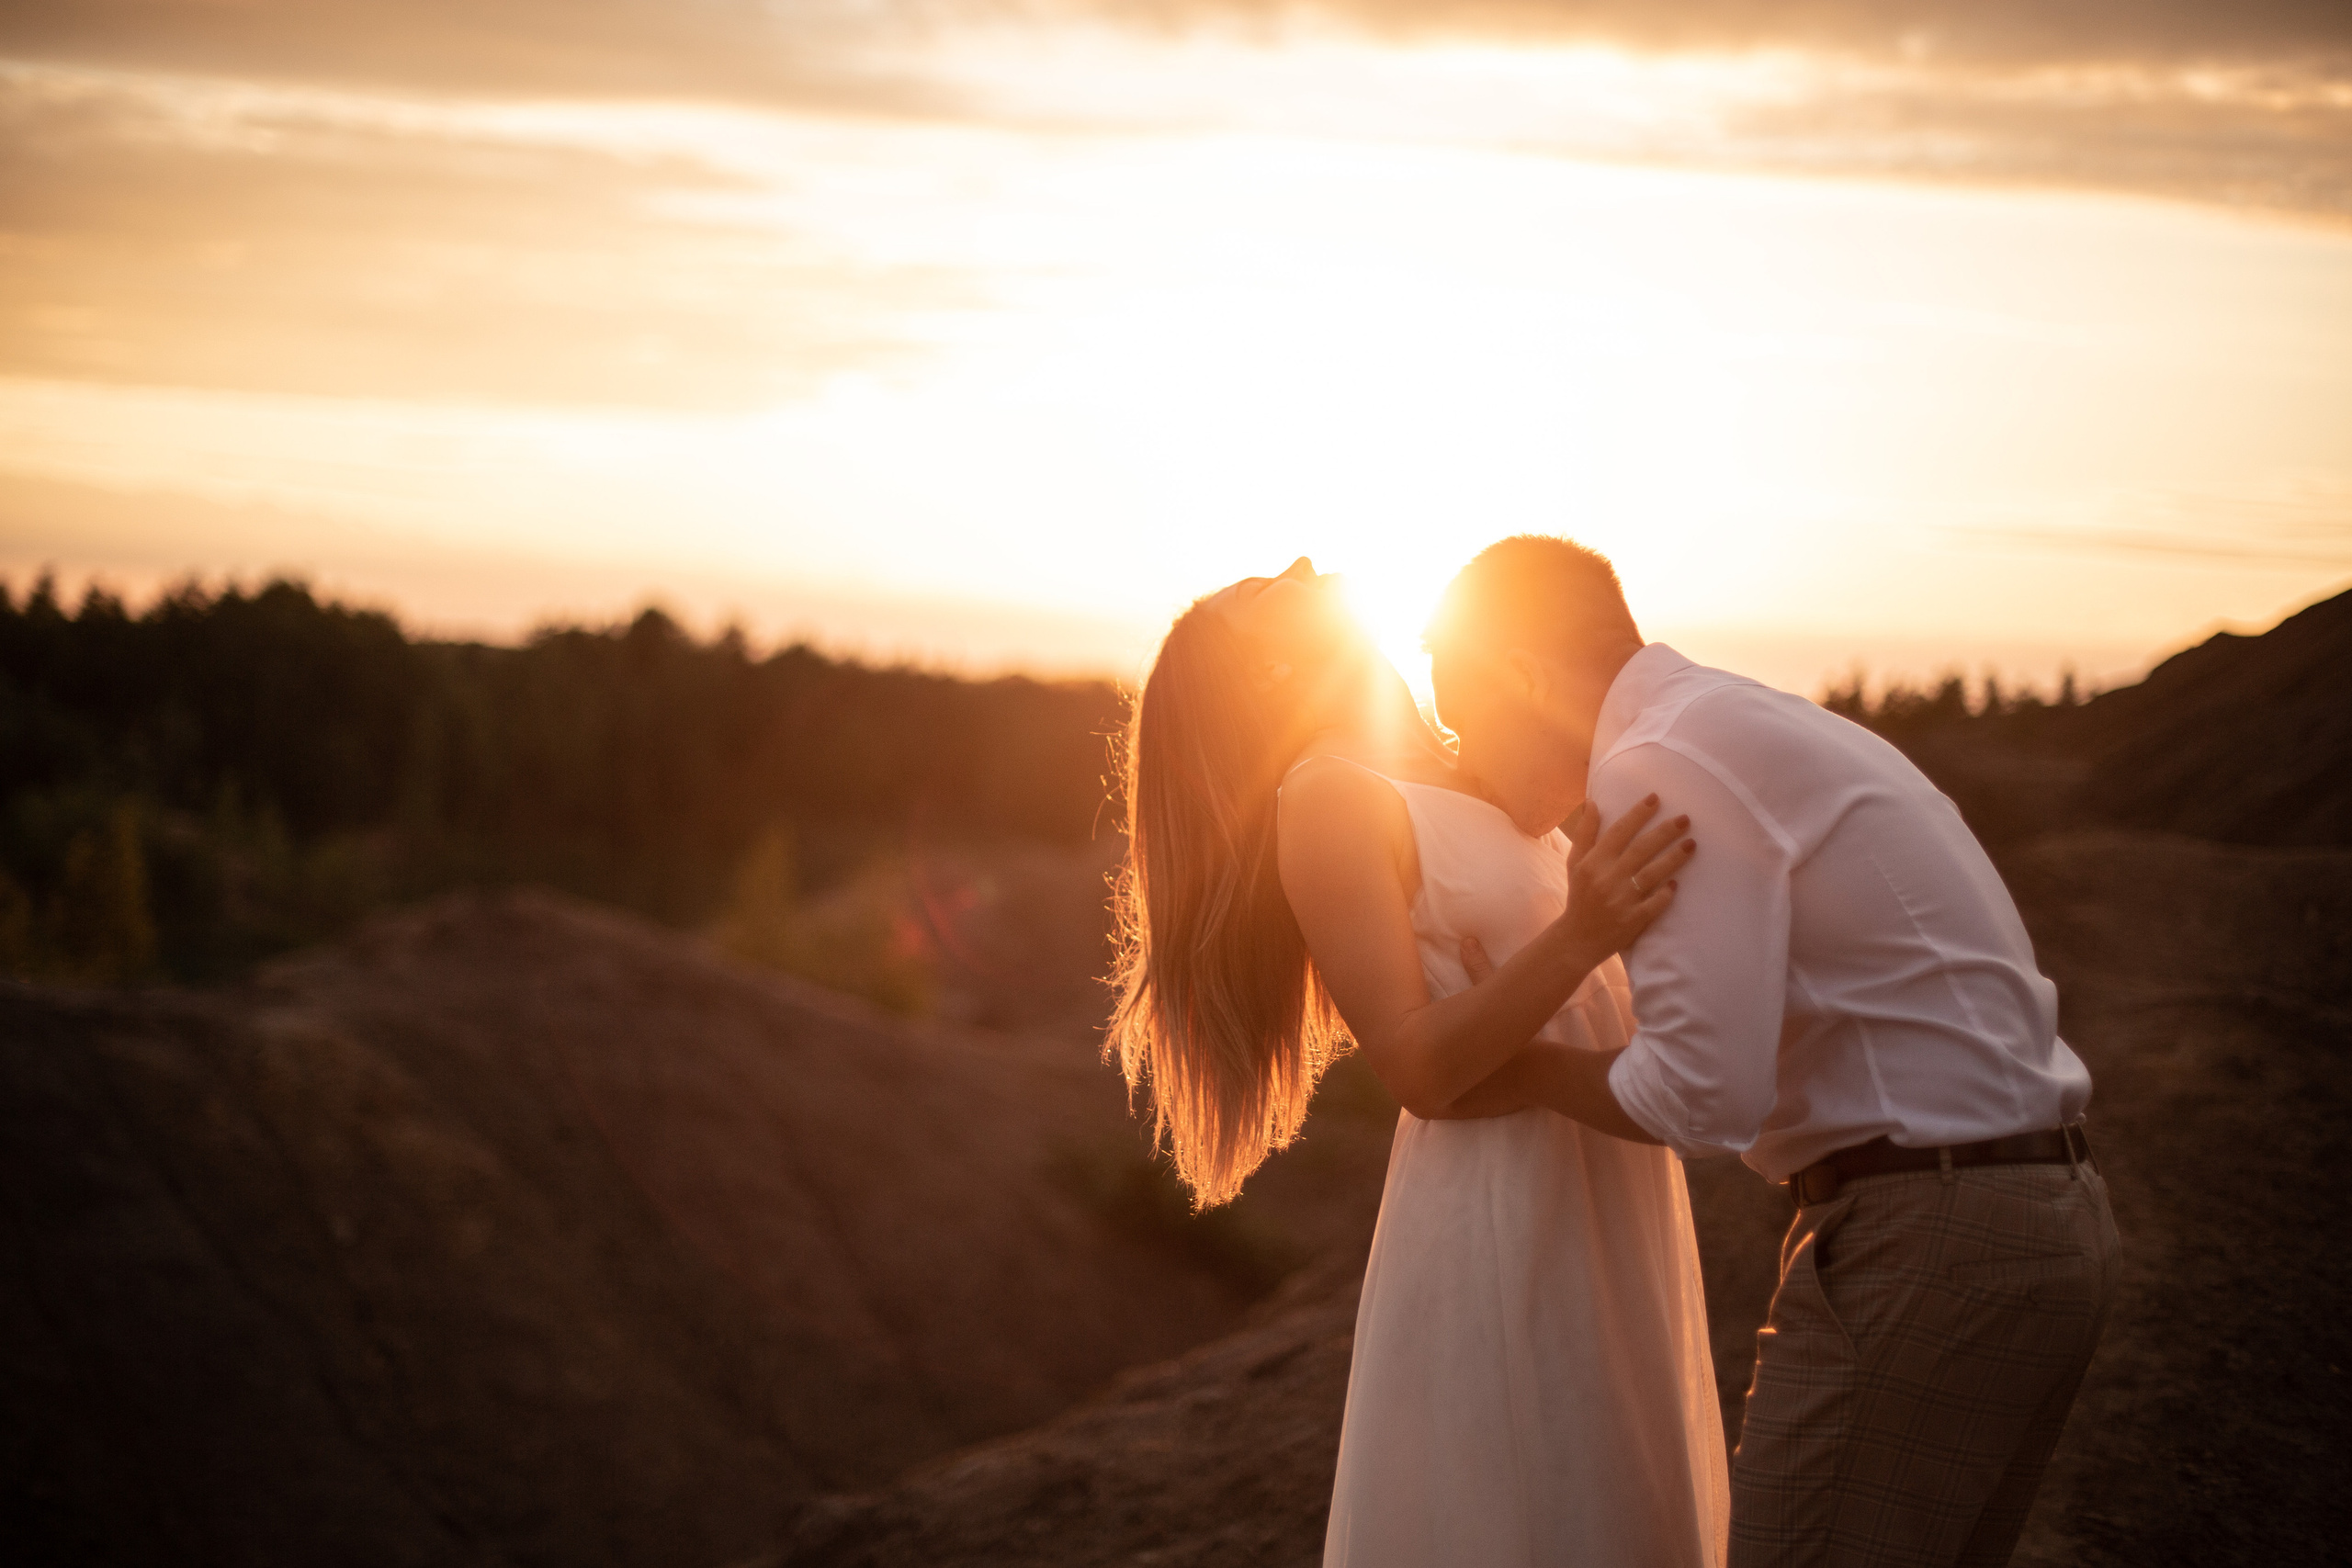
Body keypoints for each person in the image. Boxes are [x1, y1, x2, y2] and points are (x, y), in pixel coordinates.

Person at [1423, 535, 2120, 1568]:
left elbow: (1701, 1095)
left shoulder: (1653, 763)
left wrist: (1514, 1062)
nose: (1465, 755)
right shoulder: (1734, 721)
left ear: (1519, 673)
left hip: (1927, 1240)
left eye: (1464, 716)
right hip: (2032, 1218)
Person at [1106, 557, 1729, 1568]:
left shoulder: (1476, 775)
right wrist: (1579, 936)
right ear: (1268, 675)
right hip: (1504, 1204)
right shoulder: (1326, 797)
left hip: (1609, 1184)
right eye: (1271, 586)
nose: (1306, 565)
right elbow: (1415, 1070)